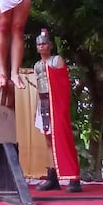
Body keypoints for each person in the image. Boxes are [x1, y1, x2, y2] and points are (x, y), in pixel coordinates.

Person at [31, 29, 82, 193]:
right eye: (39, 44)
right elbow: (38, 88)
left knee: (63, 138)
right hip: (44, 103)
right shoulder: (37, 65)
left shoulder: (56, 61)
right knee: (48, 141)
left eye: (44, 43)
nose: (42, 46)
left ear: (50, 45)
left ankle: (74, 178)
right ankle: (52, 177)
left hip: (56, 104)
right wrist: (36, 108)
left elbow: (62, 85)